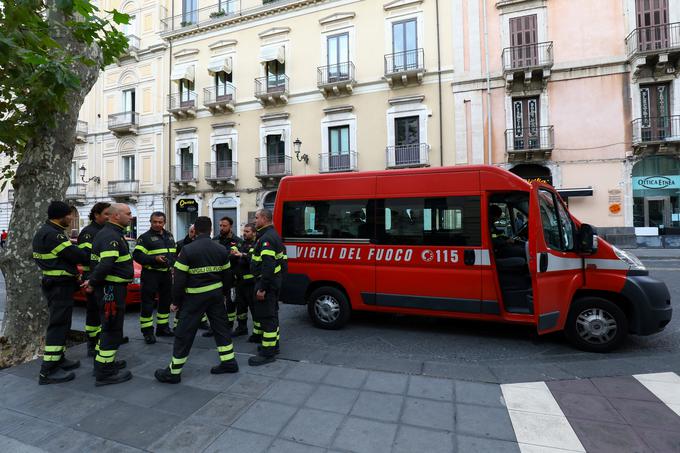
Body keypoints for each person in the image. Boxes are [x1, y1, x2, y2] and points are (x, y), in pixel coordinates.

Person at [155, 216, 238, 384]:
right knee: (221, 329)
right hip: (215, 295)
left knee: (184, 333)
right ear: (211, 230)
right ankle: (229, 362)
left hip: (194, 298)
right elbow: (228, 276)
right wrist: (223, 293)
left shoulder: (187, 250)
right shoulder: (221, 249)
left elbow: (178, 281)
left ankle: (174, 372)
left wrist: (176, 302)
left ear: (196, 231)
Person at [32, 202, 90, 384]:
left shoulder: (47, 231)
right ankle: (47, 371)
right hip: (59, 285)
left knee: (63, 324)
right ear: (61, 216)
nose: (72, 218)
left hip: (57, 284)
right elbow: (76, 256)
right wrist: (88, 252)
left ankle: (59, 359)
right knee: (58, 326)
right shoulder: (53, 235)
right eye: (70, 215)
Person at [83, 203, 134, 386]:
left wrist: (93, 282)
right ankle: (105, 372)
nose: (131, 217)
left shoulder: (110, 233)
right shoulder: (111, 236)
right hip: (111, 290)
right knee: (112, 329)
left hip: (109, 288)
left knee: (109, 327)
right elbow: (105, 264)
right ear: (116, 216)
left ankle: (104, 363)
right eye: (128, 214)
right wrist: (93, 282)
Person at [249, 209, 286, 366]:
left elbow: (268, 265)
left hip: (267, 284)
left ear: (264, 218)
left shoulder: (267, 238)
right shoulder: (272, 235)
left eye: (256, 218)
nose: (255, 220)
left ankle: (267, 353)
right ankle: (272, 345)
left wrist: (262, 287)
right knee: (273, 315)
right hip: (273, 282)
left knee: (267, 318)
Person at [133, 212, 176, 344]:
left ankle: (162, 328)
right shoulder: (144, 238)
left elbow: (173, 253)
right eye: (155, 222)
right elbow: (137, 256)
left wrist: (173, 264)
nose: (157, 224)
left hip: (166, 274)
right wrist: (154, 259)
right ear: (150, 222)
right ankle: (147, 332)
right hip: (151, 274)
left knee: (165, 302)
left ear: (164, 222)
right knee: (148, 304)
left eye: (160, 222)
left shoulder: (169, 236)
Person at [77, 202, 111, 357]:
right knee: (93, 312)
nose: (109, 217)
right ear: (96, 215)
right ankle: (92, 342)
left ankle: (104, 339)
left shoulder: (106, 230)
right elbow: (85, 256)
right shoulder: (88, 232)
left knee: (106, 311)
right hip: (92, 277)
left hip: (104, 278)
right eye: (106, 214)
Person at [211, 216, 243, 331]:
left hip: (231, 277)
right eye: (220, 225)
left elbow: (239, 260)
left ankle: (228, 327)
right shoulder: (214, 240)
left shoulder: (238, 241)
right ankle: (214, 327)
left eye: (224, 226)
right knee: (215, 303)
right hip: (216, 276)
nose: (222, 228)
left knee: (230, 302)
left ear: (230, 226)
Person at [231, 223, 257, 338]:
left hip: (251, 284)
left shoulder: (257, 244)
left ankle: (257, 332)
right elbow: (234, 256)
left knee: (255, 309)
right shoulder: (241, 243)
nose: (244, 233)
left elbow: (252, 260)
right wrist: (232, 253)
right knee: (240, 308)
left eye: (247, 231)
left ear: (254, 233)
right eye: (244, 231)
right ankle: (242, 328)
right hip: (239, 283)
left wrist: (242, 255)